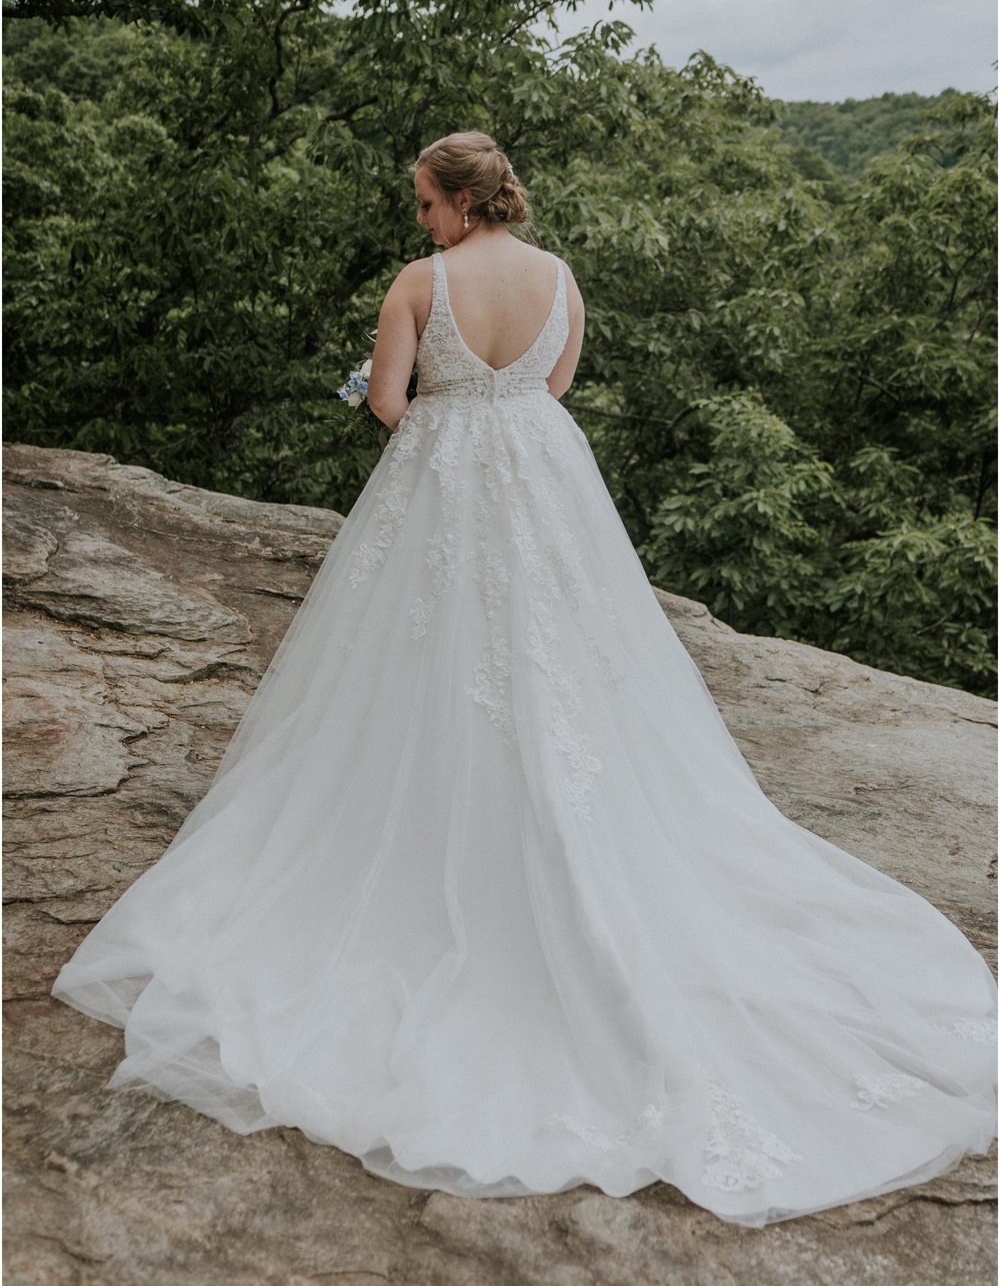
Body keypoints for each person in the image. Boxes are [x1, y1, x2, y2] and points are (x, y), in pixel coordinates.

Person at [51, 130, 997, 1228]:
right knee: (574, 668)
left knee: (413, 676)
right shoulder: (559, 278)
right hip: (548, 489)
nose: (418, 220)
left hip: (445, 492)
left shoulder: (421, 283)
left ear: (457, 202)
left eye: (423, 202)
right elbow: (548, 387)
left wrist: (382, 388)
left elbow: (393, 404)